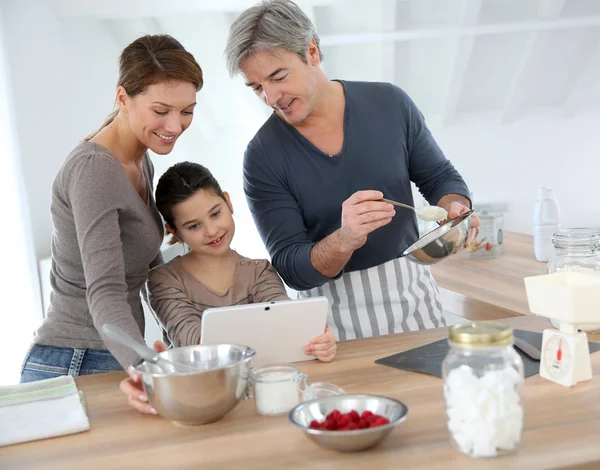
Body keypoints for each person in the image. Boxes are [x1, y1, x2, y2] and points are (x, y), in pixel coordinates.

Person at [224, 0, 480, 342]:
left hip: (415, 306)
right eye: (256, 87)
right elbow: (290, 266)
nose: (271, 97)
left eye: (278, 77)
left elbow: (439, 177)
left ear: (312, 52)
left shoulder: (390, 104)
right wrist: (344, 240)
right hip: (330, 330)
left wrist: (454, 207)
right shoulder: (262, 157)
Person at [20, 35, 203, 383]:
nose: (175, 126)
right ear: (123, 98)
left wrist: (188, 331)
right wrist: (144, 367)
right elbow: (104, 289)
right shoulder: (95, 169)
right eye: (161, 111)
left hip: (111, 355)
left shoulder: (139, 161)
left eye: (187, 111)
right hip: (73, 362)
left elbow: (151, 269)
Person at [120, 161, 336, 414]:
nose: (212, 231)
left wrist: (314, 341)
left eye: (215, 213)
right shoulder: (163, 280)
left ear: (228, 202)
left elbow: (285, 324)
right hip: (200, 401)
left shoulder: (259, 270)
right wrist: (274, 334)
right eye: (193, 226)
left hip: (261, 399)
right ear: (174, 230)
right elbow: (195, 344)